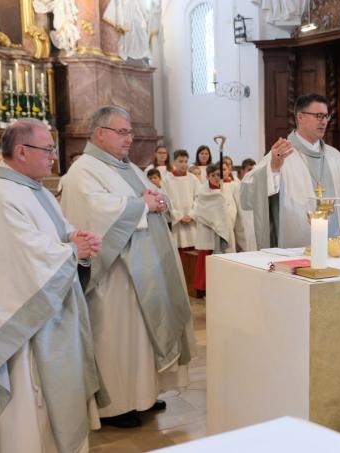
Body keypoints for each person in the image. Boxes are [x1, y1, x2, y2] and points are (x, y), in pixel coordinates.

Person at [60, 105, 195, 428]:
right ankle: (117, 406)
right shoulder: (84, 170)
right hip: (115, 275)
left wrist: (159, 200)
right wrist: (142, 205)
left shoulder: (126, 167)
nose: (129, 138)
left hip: (144, 271)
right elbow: (93, 211)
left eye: (130, 132)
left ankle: (143, 396)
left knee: (142, 338)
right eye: (122, 132)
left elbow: (152, 194)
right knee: (118, 338)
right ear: (99, 133)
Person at [0, 119, 107, 453]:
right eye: (47, 149)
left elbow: (54, 234)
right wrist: (71, 251)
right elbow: (23, 259)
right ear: (21, 151)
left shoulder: (34, 189)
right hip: (24, 322)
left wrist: (73, 237)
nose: (53, 156)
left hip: (50, 311)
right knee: (29, 410)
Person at [239, 93, 340, 249]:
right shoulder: (281, 154)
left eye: (326, 116)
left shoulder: (335, 157)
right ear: (300, 117)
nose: (323, 121)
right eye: (318, 116)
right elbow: (248, 191)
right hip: (296, 249)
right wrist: (274, 169)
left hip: (335, 248)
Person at [193, 163, 239, 296]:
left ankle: (221, 286)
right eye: (213, 175)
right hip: (208, 229)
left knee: (223, 257)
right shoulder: (203, 191)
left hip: (224, 228)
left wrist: (226, 220)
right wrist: (215, 219)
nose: (216, 178)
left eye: (218, 175)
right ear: (207, 176)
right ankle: (203, 288)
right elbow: (201, 209)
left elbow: (231, 207)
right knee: (206, 259)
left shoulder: (226, 189)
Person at [162, 149, 201, 283]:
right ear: (174, 162)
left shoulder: (193, 179)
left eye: (185, 161)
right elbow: (166, 200)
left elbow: (199, 198)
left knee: (194, 252)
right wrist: (179, 216)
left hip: (192, 222)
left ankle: (192, 283)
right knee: (179, 253)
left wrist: (191, 214)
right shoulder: (167, 180)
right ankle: (180, 282)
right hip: (177, 223)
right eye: (180, 161)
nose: (184, 164)